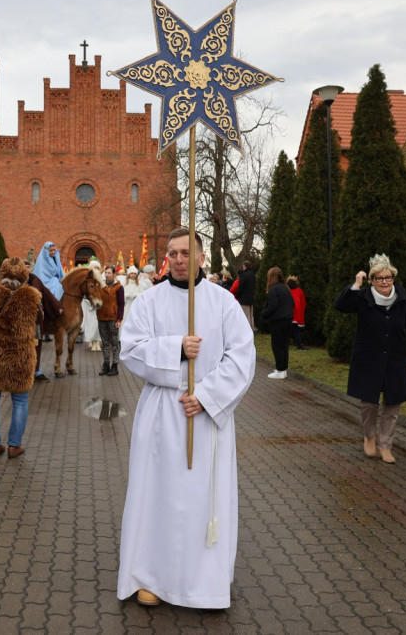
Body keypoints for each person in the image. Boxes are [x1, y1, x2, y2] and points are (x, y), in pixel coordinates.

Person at [117, 228, 256, 609]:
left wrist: (207, 396)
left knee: (201, 500)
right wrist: (175, 348)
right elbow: (130, 349)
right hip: (163, 412)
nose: (178, 260)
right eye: (172, 253)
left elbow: (242, 357)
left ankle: (203, 581)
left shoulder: (223, 302)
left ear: (201, 258)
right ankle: (152, 577)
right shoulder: (149, 301)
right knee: (158, 496)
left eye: (185, 253)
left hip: (205, 417)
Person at [334, 254, 406, 464]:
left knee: (393, 404)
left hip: (394, 359)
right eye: (379, 278)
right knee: (369, 403)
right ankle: (369, 436)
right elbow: (341, 305)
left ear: (393, 278)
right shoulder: (362, 297)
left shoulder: (402, 299)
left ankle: (385, 445)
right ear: (372, 280)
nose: (384, 282)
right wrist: (355, 284)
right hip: (368, 358)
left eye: (388, 277)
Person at [0, 258, 42, 459]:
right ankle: (15, 445)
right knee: (20, 400)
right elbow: (37, 325)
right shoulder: (31, 296)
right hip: (20, 355)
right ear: (24, 275)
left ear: (1, 274)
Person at [26, 260, 63, 382]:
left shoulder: (35, 279)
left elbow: (46, 293)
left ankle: (36, 371)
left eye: (28, 267)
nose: (26, 269)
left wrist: (57, 307)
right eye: (24, 267)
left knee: (37, 343)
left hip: (36, 320)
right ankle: (23, 371)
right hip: (22, 321)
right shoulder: (16, 282)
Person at [260, 266, 294, 379]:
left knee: (277, 345)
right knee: (284, 345)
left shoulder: (274, 289)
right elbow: (292, 303)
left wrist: (264, 314)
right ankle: (283, 369)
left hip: (278, 321)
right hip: (288, 319)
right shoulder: (286, 288)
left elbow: (272, 306)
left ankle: (280, 370)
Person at [97, 265, 125, 376]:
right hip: (101, 317)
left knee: (114, 343)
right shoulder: (100, 286)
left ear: (114, 274)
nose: (107, 275)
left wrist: (119, 319)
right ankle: (106, 365)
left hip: (113, 318)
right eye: (106, 273)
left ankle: (115, 365)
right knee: (104, 343)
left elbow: (121, 304)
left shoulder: (119, 287)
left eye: (109, 273)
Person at [81, 259, 103, 352]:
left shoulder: (101, 279)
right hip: (88, 305)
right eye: (95, 267)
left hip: (98, 305)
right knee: (90, 324)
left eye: (98, 267)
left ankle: (97, 342)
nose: (96, 269)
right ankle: (92, 341)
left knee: (98, 325)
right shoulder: (87, 280)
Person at [233, 260, 257, 330]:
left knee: (246, 315)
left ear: (244, 266)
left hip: (244, 298)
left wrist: (237, 295)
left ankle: (247, 330)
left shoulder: (244, 275)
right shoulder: (253, 274)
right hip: (251, 297)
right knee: (251, 315)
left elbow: (241, 287)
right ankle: (252, 328)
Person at [287, 276, 308, 350]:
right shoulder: (300, 291)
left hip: (289, 314)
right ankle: (299, 345)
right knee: (297, 331)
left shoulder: (287, 292)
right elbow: (303, 303)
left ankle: (285, 344)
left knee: (287, 330)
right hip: (298, 315)